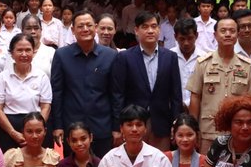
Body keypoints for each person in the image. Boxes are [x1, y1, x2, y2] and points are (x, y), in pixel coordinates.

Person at [187, 17, 251, 155]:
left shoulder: (246, 65)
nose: (228, 34)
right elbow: (195, 97)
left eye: (232, 31)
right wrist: (193, 127)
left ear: (237, 34)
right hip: (208, 130)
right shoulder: (203, 63)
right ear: (215, 35)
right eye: (223, 31)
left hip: (238, 133)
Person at [110, 11, 181, 150]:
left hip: (161, 124)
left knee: (159, 165)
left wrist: (176, 123)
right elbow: (118, 95)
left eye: (154, 26)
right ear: (136, 30)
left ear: (159, 30)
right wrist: (117, 126)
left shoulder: (170, 57)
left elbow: (176, 95)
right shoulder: (124, 57)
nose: (150, 31)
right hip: (133, 123)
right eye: (145, 27)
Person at [51, 12, 117, 158]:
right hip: (72, 127)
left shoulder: (111, 56)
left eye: (89, 25)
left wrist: (116, 126)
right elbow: (57, 92)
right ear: (73, 30)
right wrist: (58, 125)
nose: (85, 29)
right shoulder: (62, 55)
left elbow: (115, 94)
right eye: (80, 26)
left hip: (102, 126)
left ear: (96, 28)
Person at [0, 34, 52, 153]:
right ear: (12, 53)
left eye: (28, 50)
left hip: (36, 128)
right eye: (19, 50)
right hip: (9, 128)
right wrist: (13, 133)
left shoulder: (41, 76)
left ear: (33, 52)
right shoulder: (2, 78)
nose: (24, 54)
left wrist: (37, 131)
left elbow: (46, 107)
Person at [172, 17, 205, 108]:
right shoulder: (169, 57)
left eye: (190, 38)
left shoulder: (204, 58)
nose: (186, 43)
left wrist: (188, 103)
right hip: (173, 108)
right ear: (175, 37)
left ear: (196, 35)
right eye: (182, 39)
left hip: (198, 107)